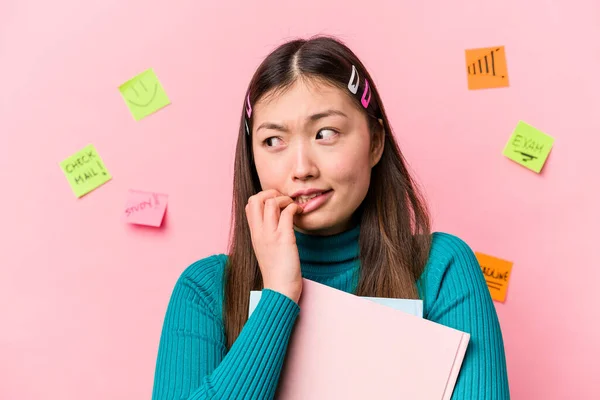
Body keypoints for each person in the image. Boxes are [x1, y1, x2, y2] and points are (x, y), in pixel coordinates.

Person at [151, 35, 510, 399]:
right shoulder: (206, 290)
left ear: (375, 142)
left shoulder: (441, 269)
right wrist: (278, 296)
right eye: (274, 140)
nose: (302, 168)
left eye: (325, 134)